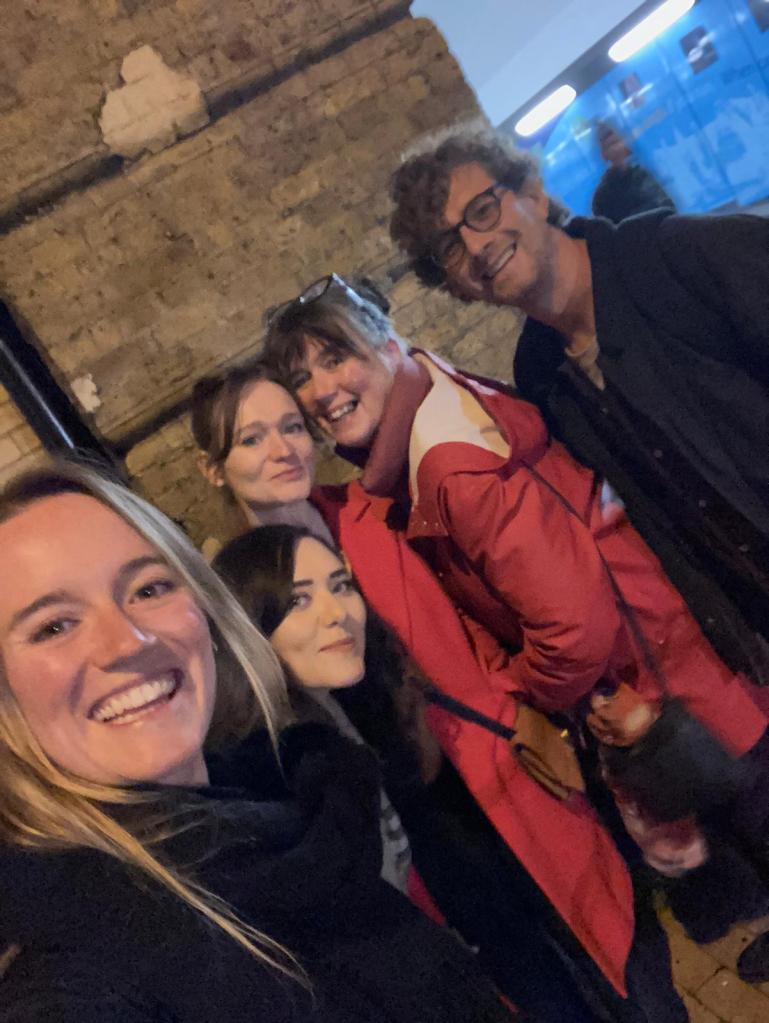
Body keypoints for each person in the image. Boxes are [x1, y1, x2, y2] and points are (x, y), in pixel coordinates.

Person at [261, 272, 769, 996]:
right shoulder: (435, 402)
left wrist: (527, 685)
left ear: (386, 342)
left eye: (334, 357)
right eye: (300, 377)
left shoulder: (448, 468)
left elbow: (573, 624)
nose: (319, 390)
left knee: (748, 798)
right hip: (657, 633)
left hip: (644, 660)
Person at [191, 361, 635, 1022]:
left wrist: (519, 697)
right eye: (253, 438)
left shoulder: (372, 514)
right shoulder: (232, 593)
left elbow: (472, 610)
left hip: (487, 761)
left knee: (602, 932)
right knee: (519, 968)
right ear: (212, 468)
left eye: (292, 426)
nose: (283, 448)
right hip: (400, 814)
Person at [0, 461, 519, 1023]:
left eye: (149, 588)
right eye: (53, 626)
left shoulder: (301, 816)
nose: (129, 641)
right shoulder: (72, 985)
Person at [388, 129, 769, 690]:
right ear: (456, 287)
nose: (475, 246)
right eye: (449, 247)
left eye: (483, 210)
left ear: (534, 195)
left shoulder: (687, 256)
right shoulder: (541, 377)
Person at [591, 123, 676, 224]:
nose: (616, 148)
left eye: (617, 142)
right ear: (603, 154)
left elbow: (668, 207)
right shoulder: (601, 197)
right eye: (610, 145)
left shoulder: (642, 175)